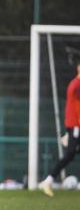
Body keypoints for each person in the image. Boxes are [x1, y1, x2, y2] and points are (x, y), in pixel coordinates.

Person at [39, 59, 80, 197]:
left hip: (74, 125)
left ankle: (49, 180)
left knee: (71, 153)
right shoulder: (77, 85)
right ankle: (48, 180)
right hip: (76, 125)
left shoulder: (75, 84)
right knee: (70, 154)